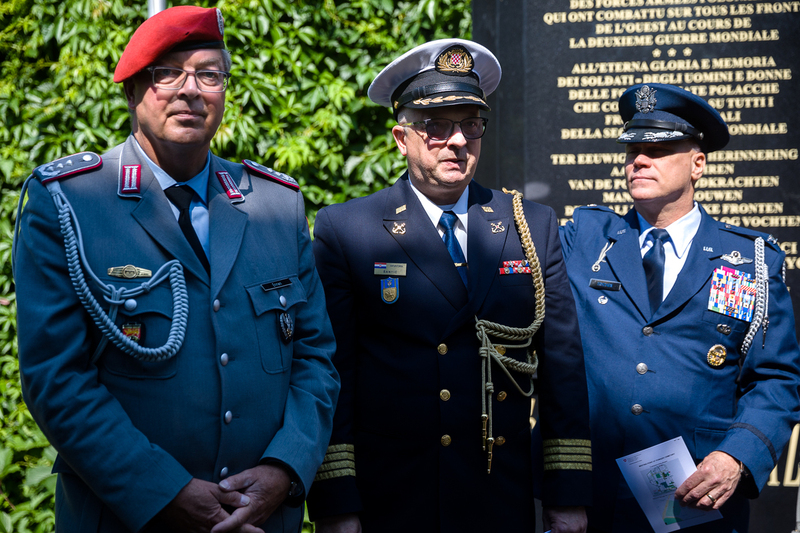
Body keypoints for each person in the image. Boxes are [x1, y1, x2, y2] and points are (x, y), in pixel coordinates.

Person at [12, 6, 339, 533]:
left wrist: (285, 468)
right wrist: (164, 490)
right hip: (129, 518)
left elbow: (315, 355)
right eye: (167, 73)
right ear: (133, 90)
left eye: (209, 74)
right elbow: (55, 378)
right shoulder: (70, 204)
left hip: (263, 518)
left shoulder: (275, 205)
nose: (190, 90)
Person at [306, 39, 592, 533]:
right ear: (401, 137)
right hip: (396, 497)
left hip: (498, 495)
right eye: (436, 126)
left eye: (471, 124)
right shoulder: (348, 229)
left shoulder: (529, 224)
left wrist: (566, 496)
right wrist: (337, 503)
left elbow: (562, 369)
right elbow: (334, 376)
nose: (457, 141)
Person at [559, 83, 800, 532]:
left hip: (697, 501)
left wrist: (736, 457)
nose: (639, 160)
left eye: (660, 148)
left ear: (698, 163)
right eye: (633, 148)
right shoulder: (587, 238)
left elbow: (776, 379)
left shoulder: (750, 260)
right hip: (592, 500)